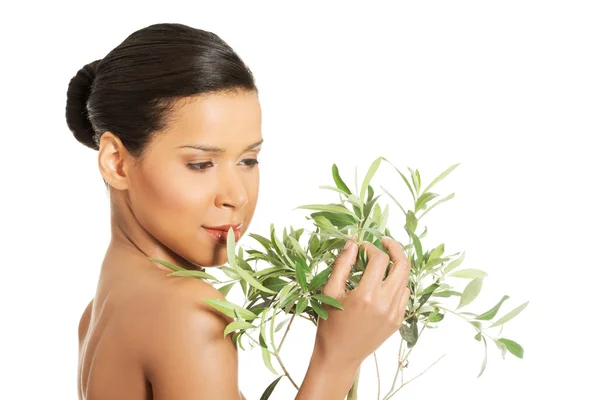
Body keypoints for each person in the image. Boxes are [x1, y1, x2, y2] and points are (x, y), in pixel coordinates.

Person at [68, 22, 411, 400]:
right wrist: (337, 359)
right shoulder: (186, 312)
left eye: (248, 160)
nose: (236, 196)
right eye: (201, 164)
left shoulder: (99, 311)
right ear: (117, 162)